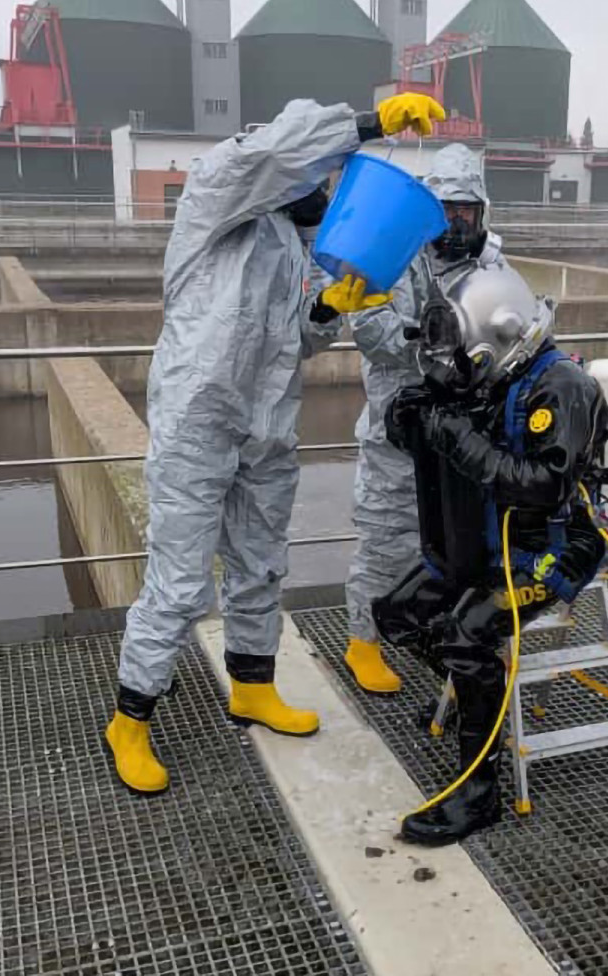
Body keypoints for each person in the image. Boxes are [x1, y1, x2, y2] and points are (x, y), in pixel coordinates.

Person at [106, 91, 445, 796]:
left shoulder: (297, 246)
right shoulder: (218, 198)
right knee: (179, 581)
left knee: (261, 563)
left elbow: (297, 341)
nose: (322, 188)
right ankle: (131, 719)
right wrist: (366, 123)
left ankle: (252, 685)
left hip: (266, 427)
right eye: (318, 172)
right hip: (197, 424)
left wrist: (328, 308)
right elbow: (273, 155)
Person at [374, 263, 608, 846]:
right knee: (396, 614)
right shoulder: (486, 380)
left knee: (467, 632)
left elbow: (543, 485)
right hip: (480, 538)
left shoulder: (562, 389)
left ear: (498, 338)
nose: (458, 372)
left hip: (551, 549)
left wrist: (456, 437)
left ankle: (479, 792)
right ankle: (479, 696)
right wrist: (407, 420)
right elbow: (438, 429)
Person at [344, 144, 505, 694]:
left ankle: (434, 633)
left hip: (462, 431)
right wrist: (429, 338)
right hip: (400, 427)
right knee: (387, 538)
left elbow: (510, 321)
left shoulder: (490, 263)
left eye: (468, 211)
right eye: (448, 210)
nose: (458, 222)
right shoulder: (395, 250)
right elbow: (371, 329)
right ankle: (362, 642)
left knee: (456, 542)